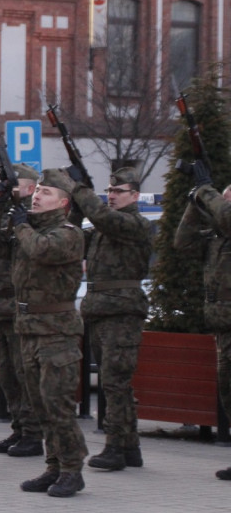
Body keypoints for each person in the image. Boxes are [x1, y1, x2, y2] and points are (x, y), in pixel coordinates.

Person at [5, 168, 88, 497]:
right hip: (29, 329)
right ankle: (53, 466)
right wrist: (2, 207)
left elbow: (41, 250)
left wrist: (21, 224)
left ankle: (72, 469)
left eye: (46, 193)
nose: (37, 195)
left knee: (57, 405)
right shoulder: (28, 229)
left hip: (57, 333)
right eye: (36, 190)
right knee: (39, 406)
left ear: (63, 202)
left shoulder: (68, 233)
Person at [70, 166, 152, 471]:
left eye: (119, 191)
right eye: (110, 191)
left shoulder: (134, 224)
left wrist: (80, 189)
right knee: (115, 382)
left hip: (122, 311)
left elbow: (104, 218)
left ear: (135, 195)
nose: (112, 196)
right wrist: (76, 208)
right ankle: (130, 448)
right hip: (102, 309)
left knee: (115, 382)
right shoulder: (105, 229)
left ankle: (116, 447)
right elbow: (75, 236)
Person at [0, 163, 44, 457]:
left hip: (18, 304)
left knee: (23, 371)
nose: (7, 190)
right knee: (7, 373)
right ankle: (19, 427)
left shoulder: (31, 219)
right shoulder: (3, 209)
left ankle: (33, 432)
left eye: (14, 186)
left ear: (30, 189)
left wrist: (10, 210)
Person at [173, 167, 231, 481]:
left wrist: (206, 189)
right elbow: (182, 243)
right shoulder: (217, 240)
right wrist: (195, 203)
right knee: (228, 391)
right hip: (223, 328)